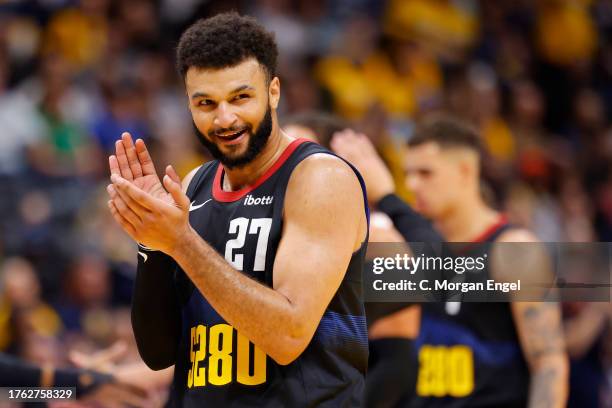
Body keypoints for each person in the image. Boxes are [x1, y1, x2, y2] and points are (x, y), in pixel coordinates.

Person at [106, 12, 369, 407]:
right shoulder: (193, 186)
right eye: (206, 103)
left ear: (274, 92)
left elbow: (288, 336)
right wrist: (152, 245)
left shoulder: (319, 179)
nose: (224, 118)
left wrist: (180, 242)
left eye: (240, 97)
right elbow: (158, 354)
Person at [332, 115, 568, 407]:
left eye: (425, 173)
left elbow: (548, 364)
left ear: (464, 171)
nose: (412, 184)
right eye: (408, 173)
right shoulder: (410, 247)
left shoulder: (513, 249)